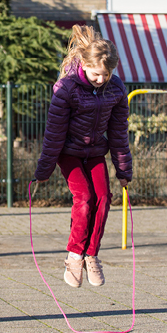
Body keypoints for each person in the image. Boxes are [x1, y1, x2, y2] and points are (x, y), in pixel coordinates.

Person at [34, 25, 132, 288]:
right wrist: (43, 171)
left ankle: (92, 255)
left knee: (103, 198)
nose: (102, 79)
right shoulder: (66, 88)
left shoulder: (116, 89)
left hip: (96, 152)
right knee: (85, 198)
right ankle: (74, 255)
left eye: (107, 74)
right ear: (85, 64)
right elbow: (54, 134)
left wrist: (123, 171)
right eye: (97, 74)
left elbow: (119, 133)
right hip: (69, 153)